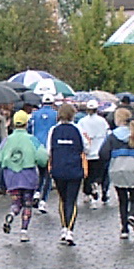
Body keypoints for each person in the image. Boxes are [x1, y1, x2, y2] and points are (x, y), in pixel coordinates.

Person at [0, 111, 48, 242]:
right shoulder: (32, 139)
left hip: (11, 176)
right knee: (27, 203)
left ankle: (12, 213)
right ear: (26, 123)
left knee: (16, 202)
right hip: (28, 175)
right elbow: (43, 157)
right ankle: (23, 231)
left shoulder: (7, 140)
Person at [46, 102, 87, 246]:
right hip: (74, 169)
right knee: (72, 200)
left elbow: (48, 150)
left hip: (58, 169)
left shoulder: (53, 130)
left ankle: (64, 228)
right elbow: (85, 148)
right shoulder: (78, 130)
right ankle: (70, 230)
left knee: (62, 199)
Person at [102, 108, 134, 238]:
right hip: (132, 167)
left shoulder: (112, 135)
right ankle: (132, 215)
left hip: (117, 168)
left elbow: (103, 153)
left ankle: (124, 229)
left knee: (122, 200)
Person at [77, 100, 111, 207]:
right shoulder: (102, 121)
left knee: (88, 175)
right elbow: (107, 134)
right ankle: (99, 188)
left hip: (87, 152)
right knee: (100, 173)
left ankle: (89, 193)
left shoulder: (82, 121)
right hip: (100, 152)